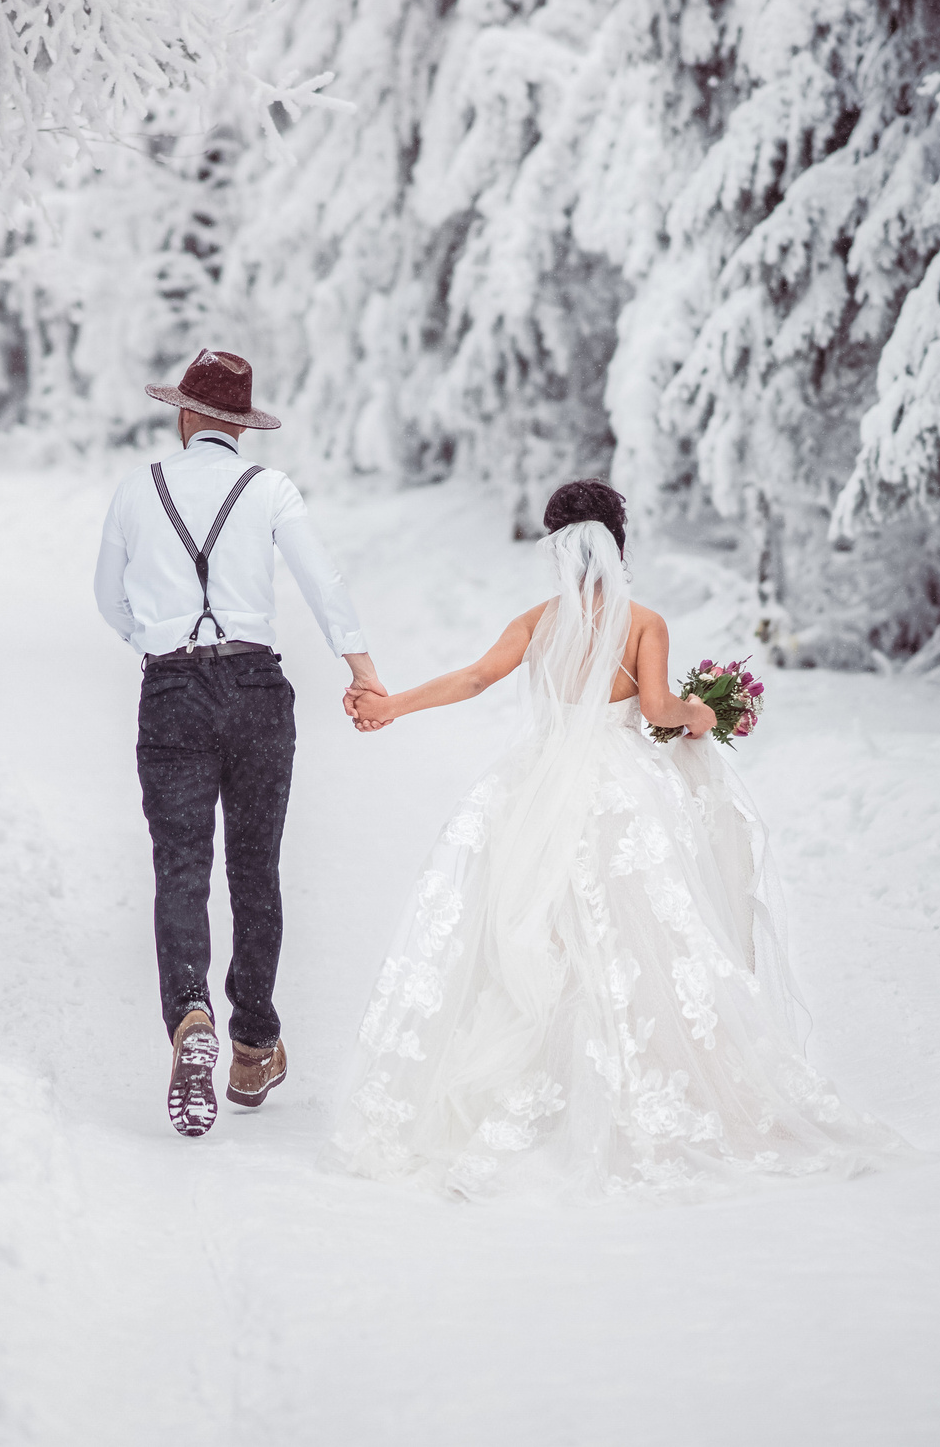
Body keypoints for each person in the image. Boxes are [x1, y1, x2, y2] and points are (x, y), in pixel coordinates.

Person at [336, 479, 895, 1197]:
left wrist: (391, 706)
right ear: (618, 543)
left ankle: (535, 1089)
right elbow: (657, 707)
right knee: (638, 937)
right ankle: (635, 1086)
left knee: (540, 932)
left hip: (537, 786)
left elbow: (476, 679)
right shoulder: (644, 623)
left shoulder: (537, 621)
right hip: (622, 789)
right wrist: (704, 715)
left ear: (556, 548)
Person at [94, 349, 386, 1137]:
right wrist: (364, 672)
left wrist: (157, 647)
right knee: (255, 868)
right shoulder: (270, 490)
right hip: (258, 686)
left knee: (181, 868)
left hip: (173, 689)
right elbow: (323, 583)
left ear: (185, 415)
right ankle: (254, 1042)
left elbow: (107, 598)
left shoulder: (136, 489)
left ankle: (191, 1017)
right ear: (239, 426)